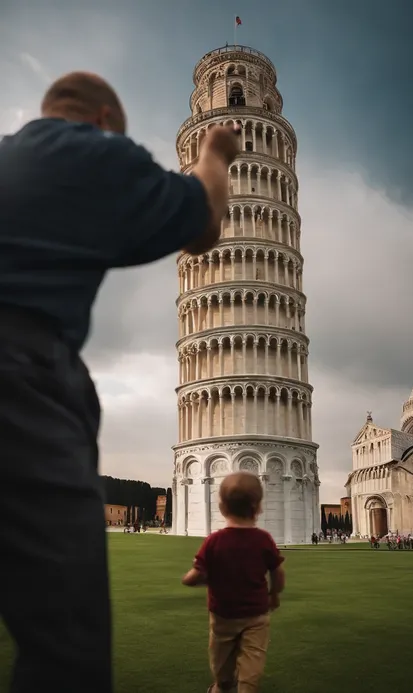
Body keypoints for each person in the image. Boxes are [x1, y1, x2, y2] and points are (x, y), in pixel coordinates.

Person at [0, 71, 239, 693]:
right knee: (63, 642)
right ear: (105, 118)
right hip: (21, 380)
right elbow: (206, 223)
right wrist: (213, 155)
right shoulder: (96, 153)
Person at [182, 472, 285, 693]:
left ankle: (222, 685)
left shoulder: (213, 541)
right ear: (258, 508)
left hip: (222, 617)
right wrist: (274, 594)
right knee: (253, 661)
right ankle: (247, 686)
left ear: (221, 508)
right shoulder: (264, 539)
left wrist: (192, 579)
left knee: (221, 660)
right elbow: (278, 572)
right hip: (256, 615)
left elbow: (194, 576)